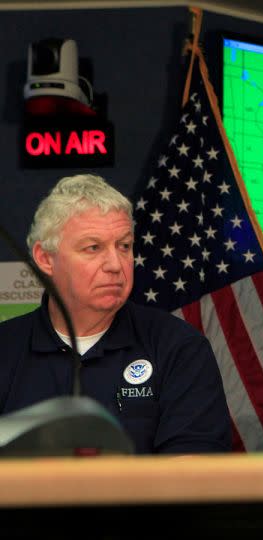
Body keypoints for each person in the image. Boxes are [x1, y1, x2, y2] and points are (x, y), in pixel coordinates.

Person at [0, 174, 231, 453]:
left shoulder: (179, 347)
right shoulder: (6, 348)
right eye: (93, 247)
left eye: (124, 246)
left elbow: (193, 476)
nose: (115, 264)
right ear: (45, 259)